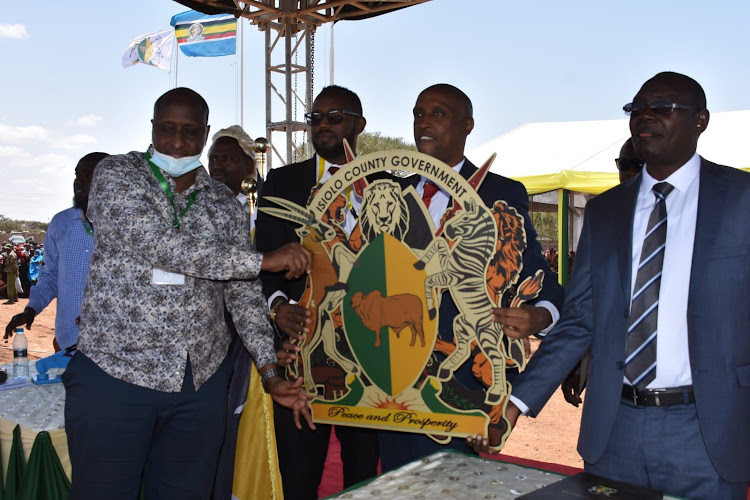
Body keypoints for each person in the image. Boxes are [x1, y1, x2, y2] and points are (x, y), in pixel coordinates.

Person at [505, 72, 750, 499]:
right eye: (636, 108)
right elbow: (579, 320)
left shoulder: (742, 198)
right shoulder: (605, 212)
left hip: (710, 431)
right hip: (613, 429)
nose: (645, 117)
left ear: (701, 120)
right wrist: (516, 402)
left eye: (663, 108)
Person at [62, 87, 314, 500]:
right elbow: (157, 245)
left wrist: (270, 372)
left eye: (190, 132)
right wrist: (263, 260)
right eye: (167, 129)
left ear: (205, 133)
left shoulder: (225, 204)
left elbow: (242, 295)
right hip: (116, 374)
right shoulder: (118, 175)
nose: (177, 142)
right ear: (152, 128)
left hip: (198, 385)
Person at [378, 83, 565, 471]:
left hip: (463, 397)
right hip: (391, 387)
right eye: (417, 113)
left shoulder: (502, 193)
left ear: (467, 126)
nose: (423, 122)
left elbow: (543, 282)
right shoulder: (390, 194)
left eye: (437, 114)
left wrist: (541, 316)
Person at [256, 85, 381, 500]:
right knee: (299, 470)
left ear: (359, 124)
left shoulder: (388, 185)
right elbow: (261, 262)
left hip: (369, 355)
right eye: (316, 118)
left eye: (335, 116)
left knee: (363, 472)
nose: (323, 125)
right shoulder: (280, 182)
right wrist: (278, 309)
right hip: (300, 353)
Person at [207, 125, 277, 500]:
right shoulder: (197, 208)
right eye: (213, 158)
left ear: (251, 165)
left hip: (254, 338)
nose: (218, 167)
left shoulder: (267, 208)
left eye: (227, 159)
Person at [4, 152, 107, 351]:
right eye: (77, 175)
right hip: (68, 342)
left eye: (89, 176)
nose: (78, 182)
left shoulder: (130, 227)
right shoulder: (61, 224)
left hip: (115, 347)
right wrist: (31, 310)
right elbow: (50, 277)